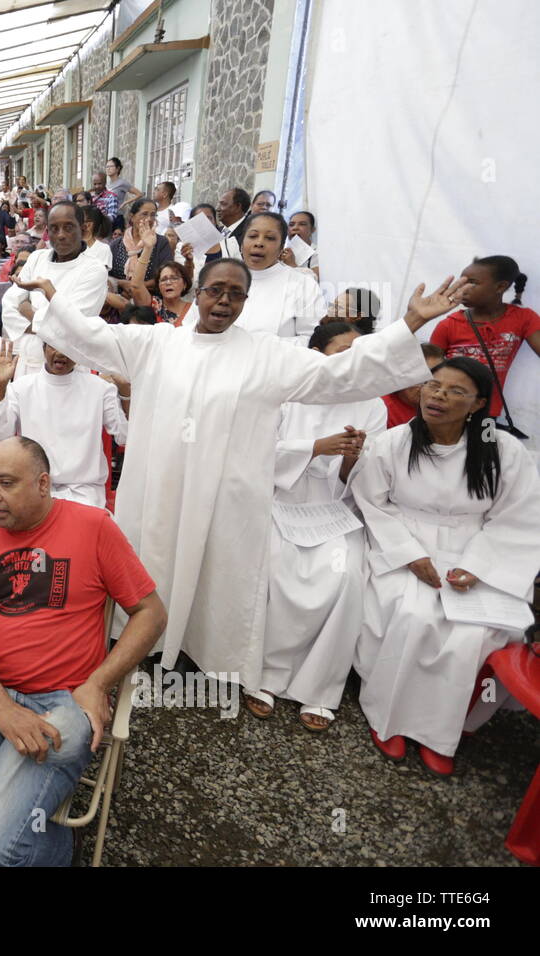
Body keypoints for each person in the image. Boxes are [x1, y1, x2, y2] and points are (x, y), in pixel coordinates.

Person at [28, 261, 468, 698]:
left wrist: (410, 322)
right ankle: (148, 643)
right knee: (153, 558)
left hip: (226, 495)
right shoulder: (157, 343)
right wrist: (53, 296)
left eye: (236, 294)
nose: (224, 301)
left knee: (217, 572)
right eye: (215, 290)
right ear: (196, 293)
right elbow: (91, 337)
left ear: (245, 301)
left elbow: (338, 372)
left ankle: (201, 653)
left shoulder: (266, 354)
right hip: (160, 486)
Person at [0, 436, 165, 866]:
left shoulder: (94, 527)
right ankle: (20, 829)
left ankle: (45, 847)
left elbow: (150, 613)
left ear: (43, 484)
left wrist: (99, 684)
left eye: (6, 482)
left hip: (65, 701)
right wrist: (1, 706)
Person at [351, 357, 540, 775]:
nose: (439, 396)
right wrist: (409, 554)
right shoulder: (394, 442)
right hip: (406, 543)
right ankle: (391, 717)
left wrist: (477, 566)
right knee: (414, 615)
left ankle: (441, 731)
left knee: (473, 633)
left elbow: (520, 517)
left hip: (479, 549)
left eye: (456, 391)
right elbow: (373, 504)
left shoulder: (502, 449)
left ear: (477, 404)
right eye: (433, 385)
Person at [245, 322, 388, 730]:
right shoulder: (288, 394)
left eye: (359, 352)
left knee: (346, 577)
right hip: (282, 501)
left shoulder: (371, 404)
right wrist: (314, 448)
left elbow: (366, 476)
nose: (351, 360)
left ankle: (320, 687)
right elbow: (255, 451)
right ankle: (265, 677)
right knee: (275, 565)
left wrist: (349, 459)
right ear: (316, 352)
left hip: (335, 507)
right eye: (342, 350)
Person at [0, 340, 126, 509]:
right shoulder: (21, 388)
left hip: (85, 494)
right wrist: (0, 386)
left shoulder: (100, 388)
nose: (61, 353)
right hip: (34, 490)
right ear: (44, 348)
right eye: (54, 345)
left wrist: (126, 391)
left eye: (68, 346)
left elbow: (124, 436)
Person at [2, 202, 107, 379]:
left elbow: (72, 323)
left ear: (83, 229)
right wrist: (46, 322)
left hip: (69, 364)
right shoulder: (36, 258)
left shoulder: (94, 269)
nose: (61, 235)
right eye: (54, 228)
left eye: (68, 227)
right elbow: (9, 304)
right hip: (27, 362)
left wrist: (27, 311)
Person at [429, 255, 539, 421]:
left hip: (487, 412)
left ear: (500, 287)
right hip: (445, 409)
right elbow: (429, 372)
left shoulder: (523, 318)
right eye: (462, 282)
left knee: (482, 445)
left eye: (472, 283)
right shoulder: (449, 324)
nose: (463, 289)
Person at [236, 212, 326, 342]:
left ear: (281, 247)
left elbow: (313, 338)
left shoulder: (303, 284)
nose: (259, 243)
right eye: (253, 236)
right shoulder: (221, 279)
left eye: (270, 238)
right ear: (242, 243)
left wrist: (265, 346)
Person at [108, 198, 171, 288]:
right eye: (144, 214)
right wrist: (121, 284)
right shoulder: (116, 244)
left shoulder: (161, 243)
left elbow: (166, 275)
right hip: (120, 296)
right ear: (132, 217)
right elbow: (106, 275)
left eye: (153, 215)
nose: (149, 219)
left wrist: (137, 287)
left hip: (150, 297)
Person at [383, 343, 445, 427]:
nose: (425, 386)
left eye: (433, 379)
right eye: (420, 377)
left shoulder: (445, 407)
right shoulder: (383, 408)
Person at [215, 188, 252, 260]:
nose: (217, 208)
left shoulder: (249, 233)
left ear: (238, 206)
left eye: (223, 204)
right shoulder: (217, 231)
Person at [153, 260, 193, 325]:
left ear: (184, 284)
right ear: (158, 286)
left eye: (174, 278)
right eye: (163, 279)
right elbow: (136, 286)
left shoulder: (193, 309)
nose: (168, 283)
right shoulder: (154, 305)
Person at [283, 211, 318, 277]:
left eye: (302, 224)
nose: (295, 228)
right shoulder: (281, 253)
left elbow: (314, 281)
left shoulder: (318, 254)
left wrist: (292, 265)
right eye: (291, 224)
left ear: (312, 230)